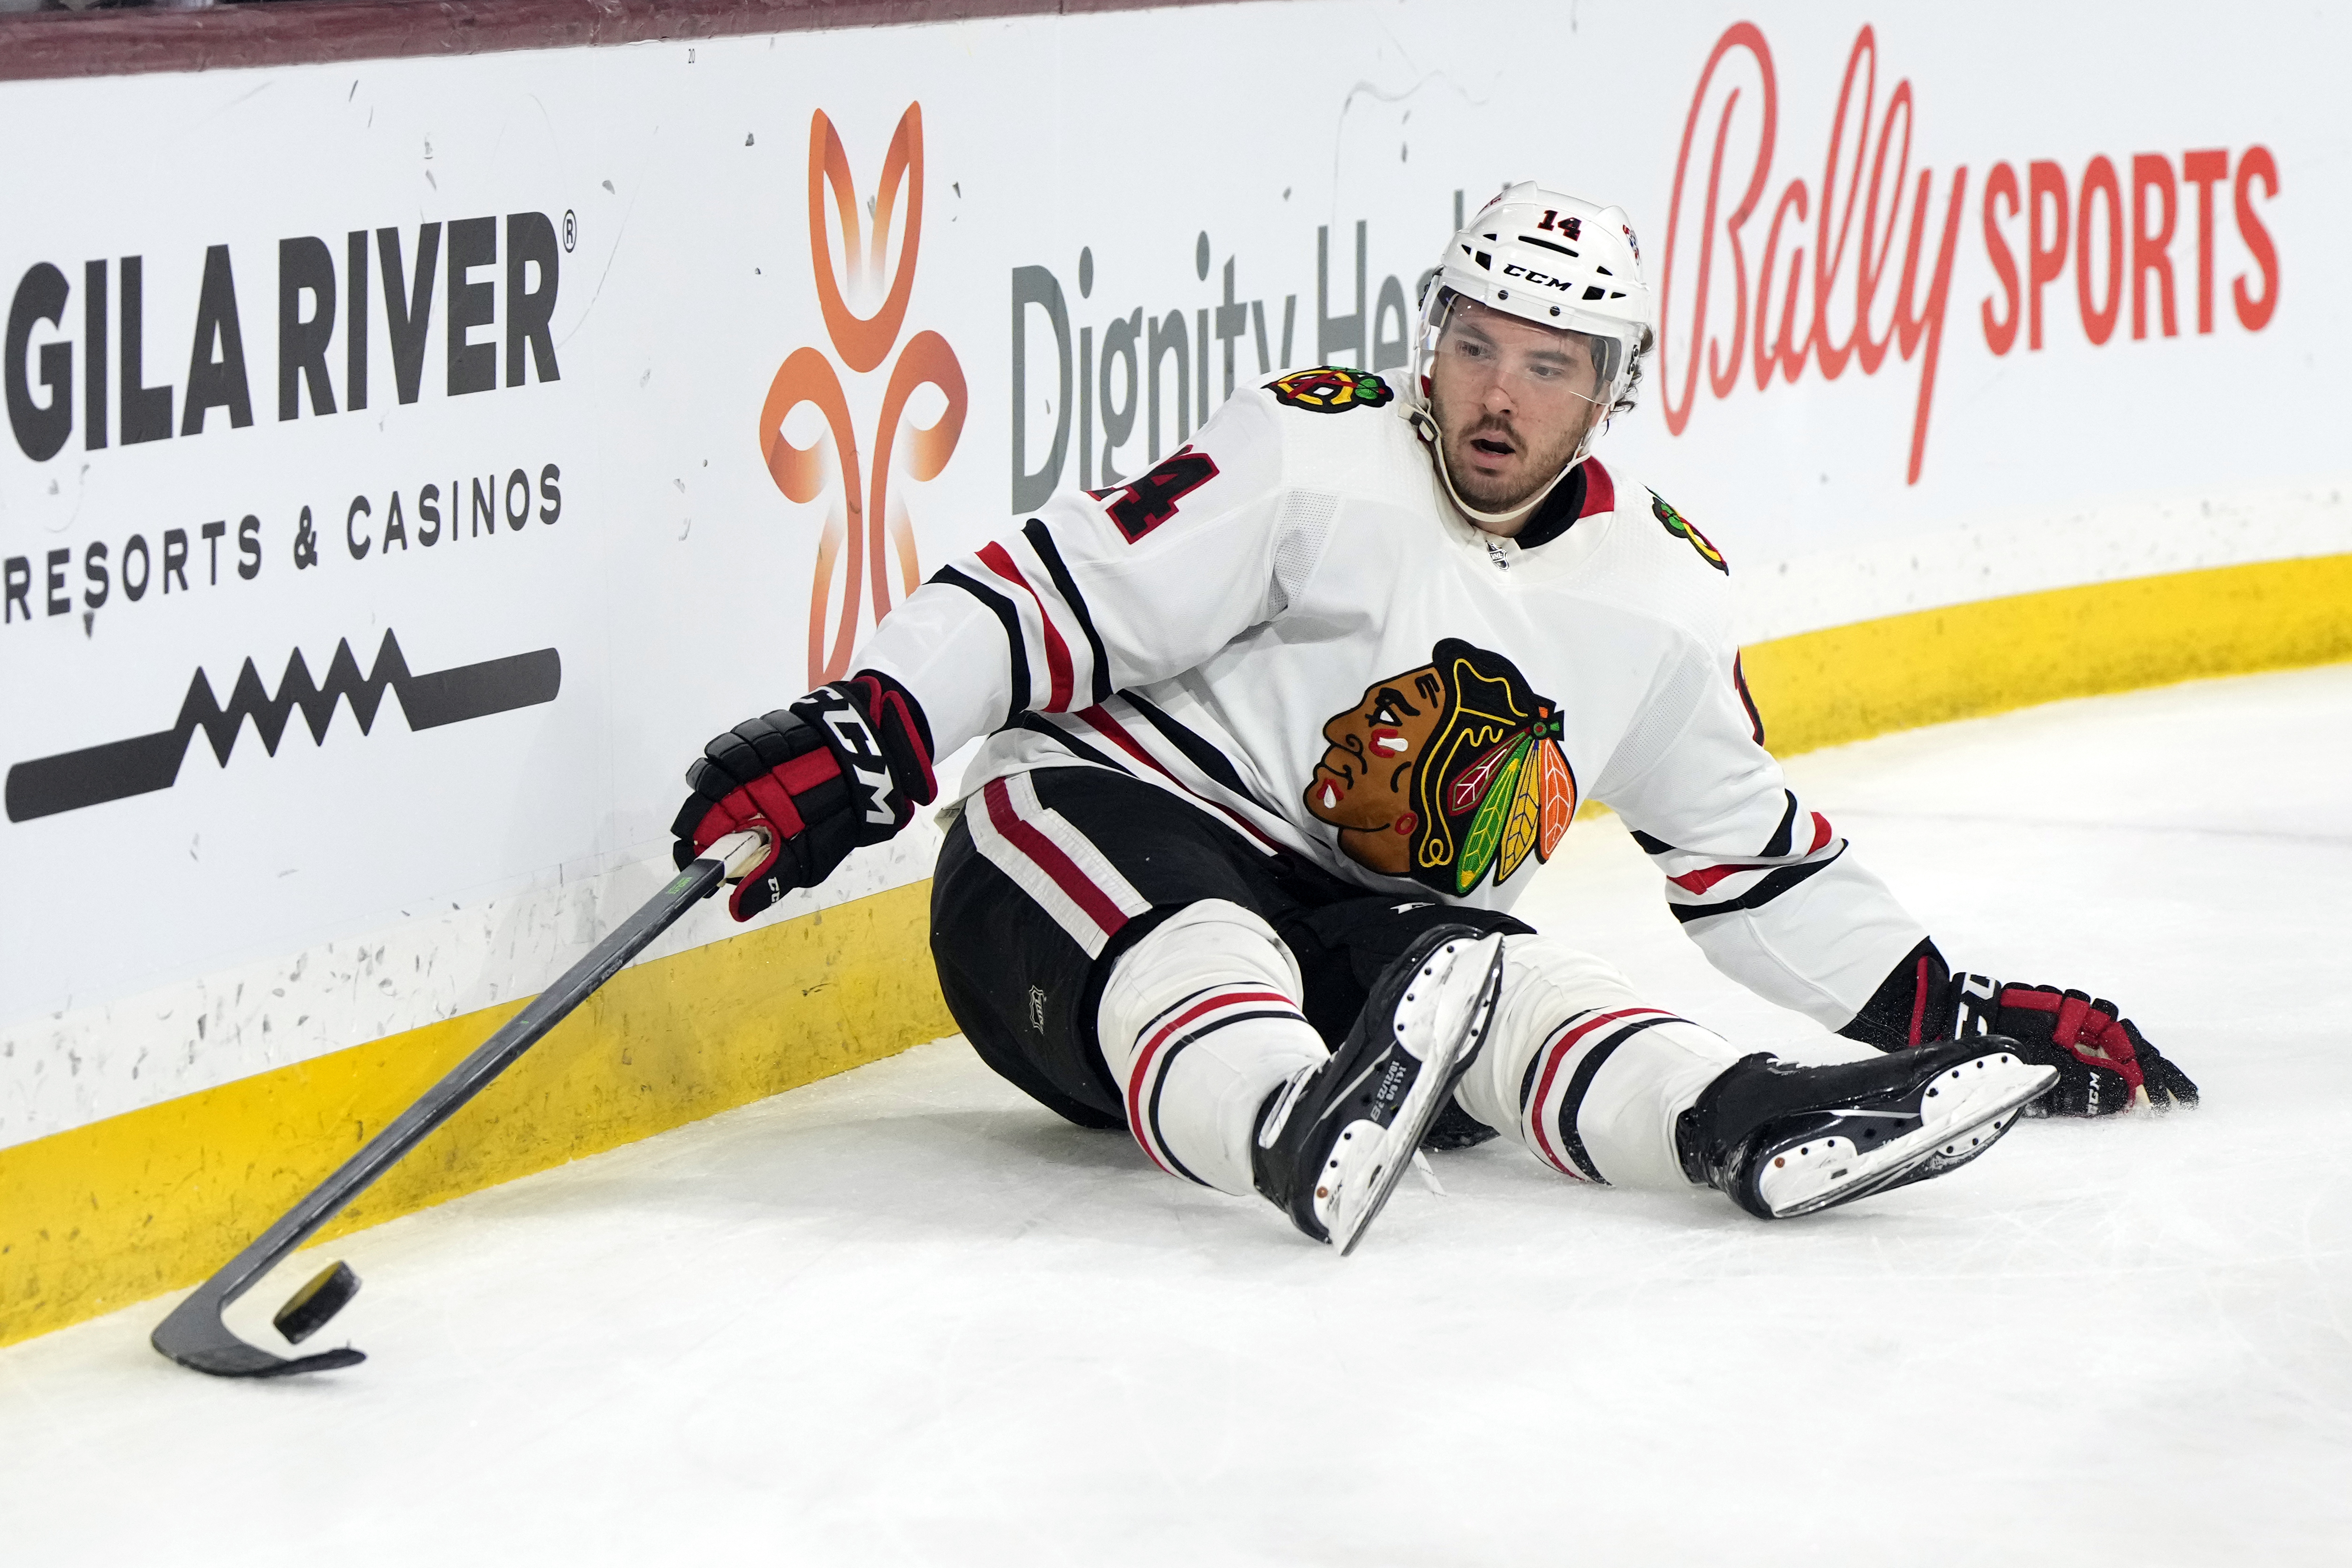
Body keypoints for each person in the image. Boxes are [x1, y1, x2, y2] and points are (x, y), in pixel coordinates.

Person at [673, 183, 2198, 1253]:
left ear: (1613, 392)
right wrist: (871, 723)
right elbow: (1060, 593)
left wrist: (1940, 1013)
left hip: (1360, 934)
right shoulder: (1309, 446)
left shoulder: (1655, 596)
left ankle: (1738, 1122)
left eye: (1546, 368)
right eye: (1474, 344)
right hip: (1088, 849)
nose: (1496, 395)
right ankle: (1286, 1121)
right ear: (1432, 336)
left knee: (1482, 974)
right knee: (1222, 943)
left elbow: (1750, 857)